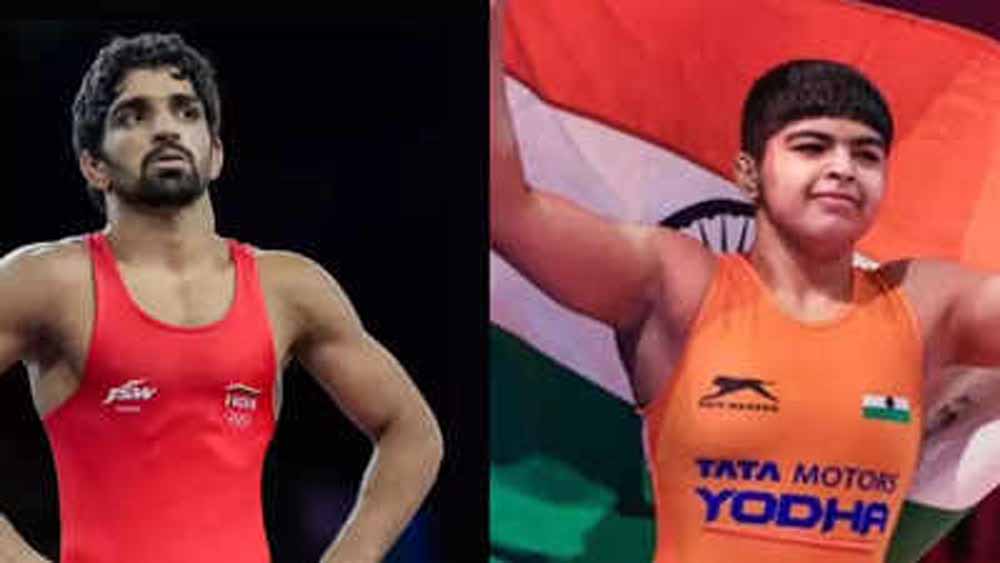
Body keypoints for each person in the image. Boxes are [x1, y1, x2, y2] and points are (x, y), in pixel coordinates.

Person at [490, 0, 1000, 561]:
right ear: (749, 174)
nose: (842, 169)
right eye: (811, 147)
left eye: (866, 155)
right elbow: (507, 210)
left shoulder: (922, 307)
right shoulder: (680, 287)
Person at [0, 31, 443, 563]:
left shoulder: (288, 289)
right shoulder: (49, 283)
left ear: (215, 154)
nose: (165, 128)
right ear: (93, 164)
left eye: (185, 111)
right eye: (133, 116)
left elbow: (413, 432)